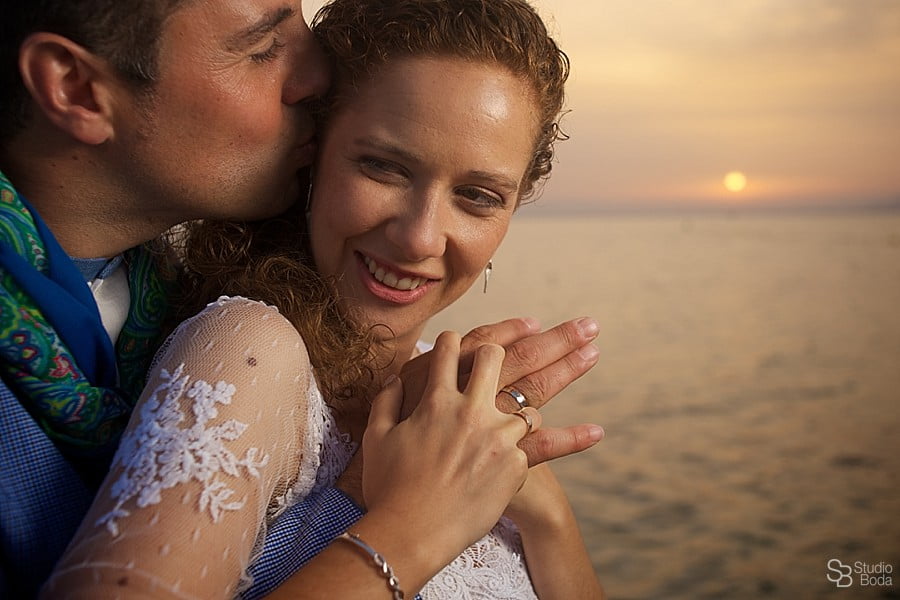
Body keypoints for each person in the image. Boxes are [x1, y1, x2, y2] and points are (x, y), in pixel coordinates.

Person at [0, 0, 601, 597]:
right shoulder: (245, 350)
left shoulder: (152, 294)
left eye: (478, 195)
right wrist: (411, 521)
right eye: (261, 49)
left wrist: (544, 514)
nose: (312, 77)